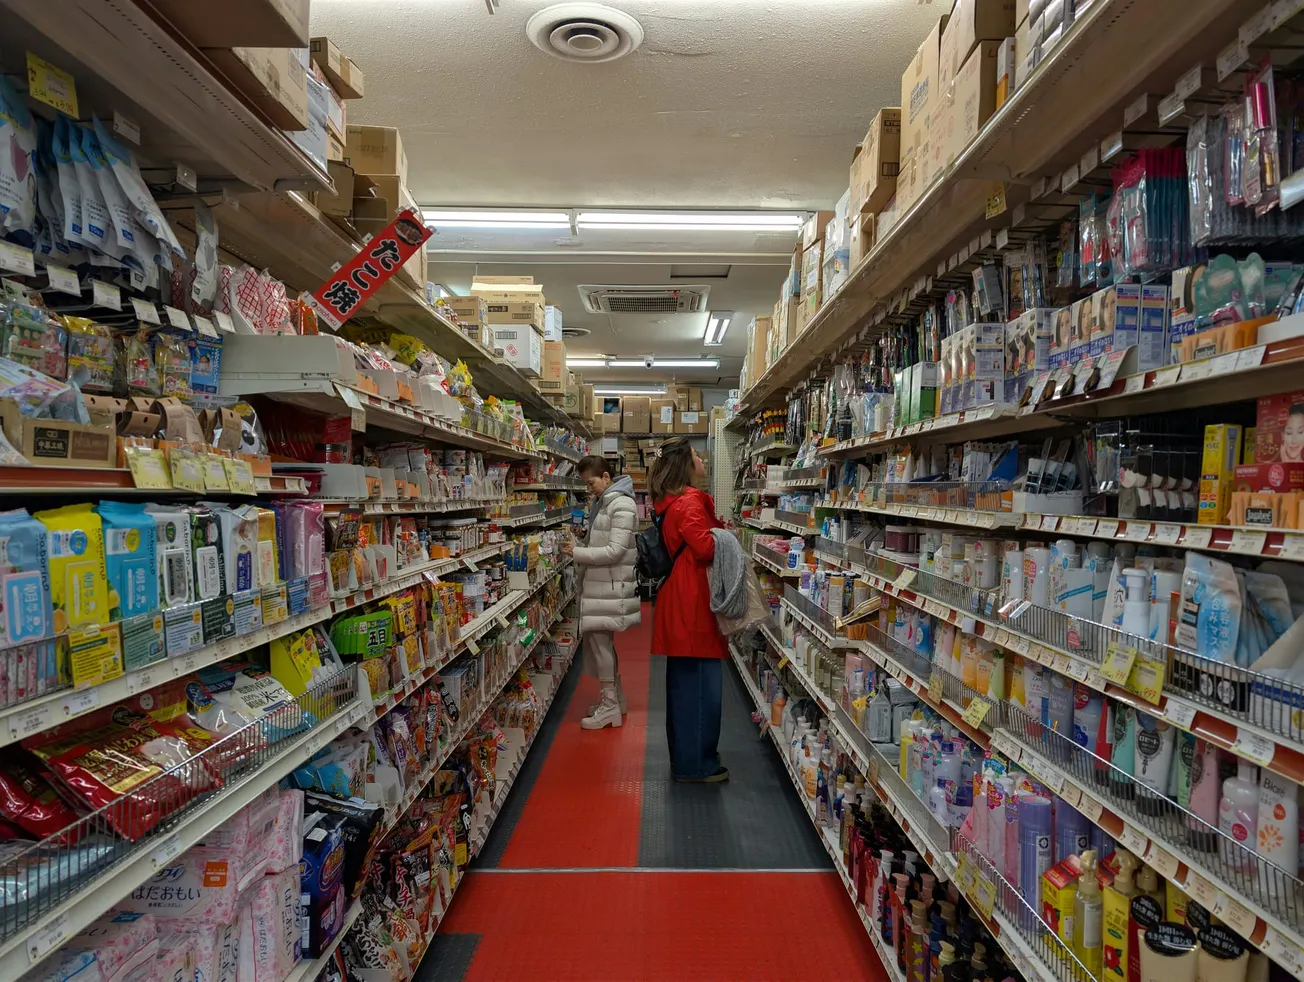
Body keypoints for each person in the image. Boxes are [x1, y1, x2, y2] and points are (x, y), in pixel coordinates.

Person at [649, 437, 729, 782]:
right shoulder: (690, 502)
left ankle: (686, 758)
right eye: (698, 455)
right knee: (701, 688)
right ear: (686, 464)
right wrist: (728, 536)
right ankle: (698, 764)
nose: (704, 460)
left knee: (684, 685)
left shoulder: (670, 503)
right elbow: (705, 547)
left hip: (680, 597)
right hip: (693, 601)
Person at [562, 455, 640, 729]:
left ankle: (610, 707)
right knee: (600, 644)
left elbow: (615, 551)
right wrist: (582, 536)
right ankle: (615, 700)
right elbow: (603, 540)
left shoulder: (621, 504)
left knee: (600, 644)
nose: (589, 488)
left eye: (591, 482)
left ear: (606, 477)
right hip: (600, 585)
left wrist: (578, 552)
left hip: (608, 586)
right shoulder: (604, 503)